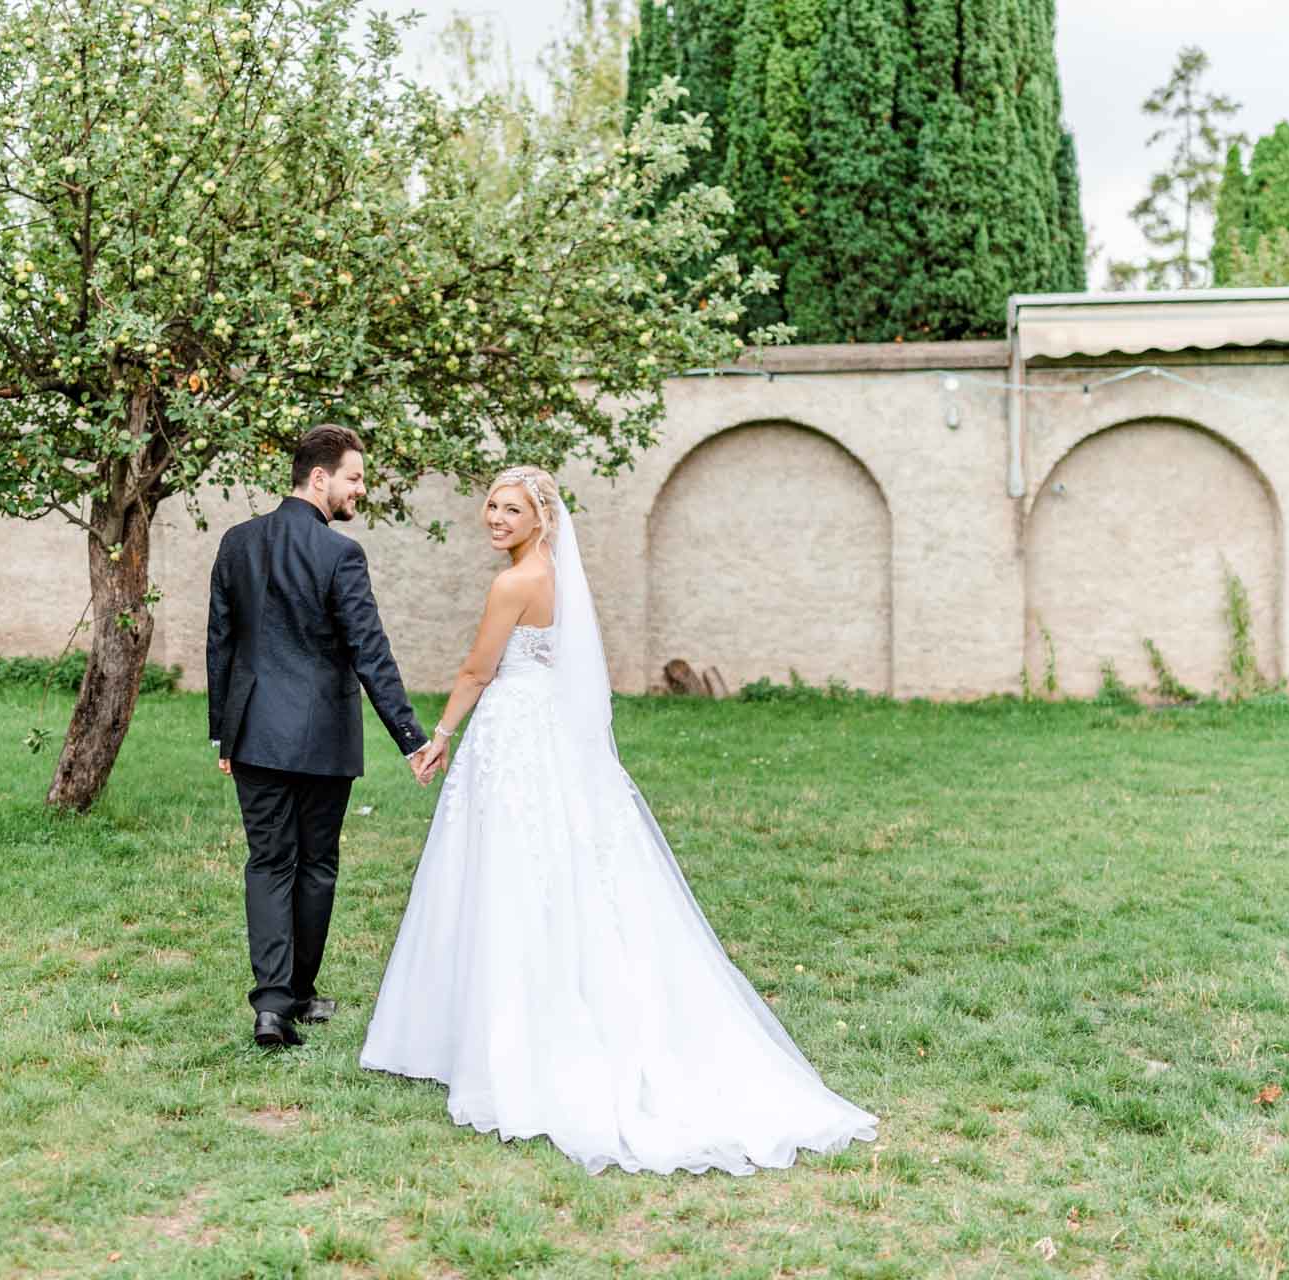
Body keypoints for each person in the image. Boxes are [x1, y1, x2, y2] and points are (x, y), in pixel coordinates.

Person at [361, 465, 879, 1175]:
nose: (495, 519)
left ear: (541, 519)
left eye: (510, 510)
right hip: (549, 735)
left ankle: (509, 1037)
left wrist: (439, 738)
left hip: (513, 731)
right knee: (552, 866)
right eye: (490, 507)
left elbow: (478, 672)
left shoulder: (513, 583)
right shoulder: (555, 579)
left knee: (507, 870)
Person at [206, 425, 434, 1049]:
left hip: (253, 734)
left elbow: (220, 643)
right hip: (322, 739)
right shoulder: (341, 555)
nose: (362, 489)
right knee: (316, 866)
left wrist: (224, 736)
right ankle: (296, 995)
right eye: (355, 477)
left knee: (269, 862)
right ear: (319, 479)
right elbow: (371, 652)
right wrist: (410, 737)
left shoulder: (237, 542)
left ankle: (273, 1007)